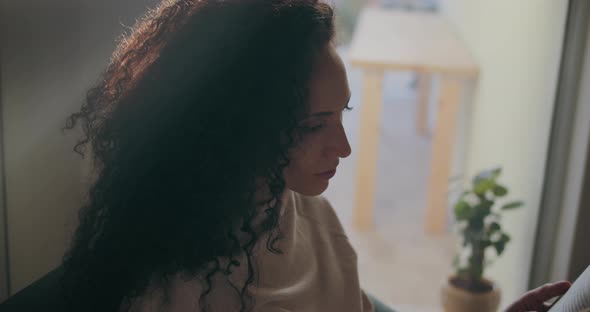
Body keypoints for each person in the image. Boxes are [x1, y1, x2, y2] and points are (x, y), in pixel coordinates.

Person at [59, 0, 569, 311]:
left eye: (343, 112)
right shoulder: (180, 288)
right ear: (236, 130)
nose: (344, 148)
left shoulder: (298, 209)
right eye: (313, 126)